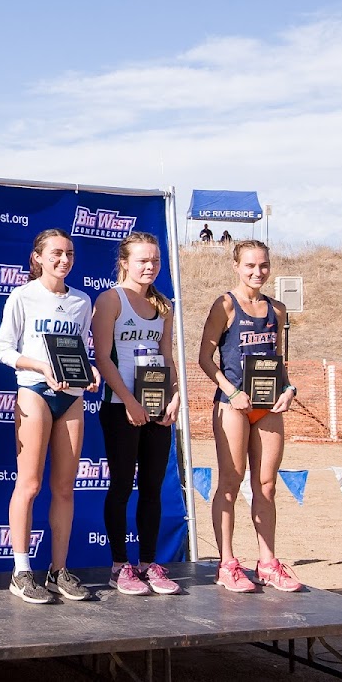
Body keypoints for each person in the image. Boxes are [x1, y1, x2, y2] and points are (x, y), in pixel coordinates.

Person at [0, 228, 100, 604]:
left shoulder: (82, 301)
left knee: (64, 488)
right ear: (37, 257)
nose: (64, 260)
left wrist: (91, 371)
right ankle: (21, 570)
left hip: (71, 397)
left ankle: (58, 570)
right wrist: (41, 367)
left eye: (69, 253)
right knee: (30, 484)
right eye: (56, 253)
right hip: (34, 392)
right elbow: (4, 350)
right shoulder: (22, 296)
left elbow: (80, 350)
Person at [198, 239, 301, 593]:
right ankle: (227, 562)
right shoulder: (225, 305)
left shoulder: (278, 309)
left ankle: (268, 562)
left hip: (268, 405)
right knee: (230, 482)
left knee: (267, 485)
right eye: (250, 266)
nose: (258, 272)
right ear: (236, 266)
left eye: (264, 265)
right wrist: (232, 391)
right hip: (234, 406)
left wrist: (289, 390)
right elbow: (204, 359)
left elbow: (280, 362)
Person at [90, 233, 182, 596]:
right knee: (122, 485)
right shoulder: (110, 299)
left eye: (155, 260)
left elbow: (167, 356)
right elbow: (101, 357)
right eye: (142, 260)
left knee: (153, 488)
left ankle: (148, 563)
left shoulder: (163, 304)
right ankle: (118, 565)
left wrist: (175, 397)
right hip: (120, 407)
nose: (150, 267)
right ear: (125, 262)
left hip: (158, 407)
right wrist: (129, 401)